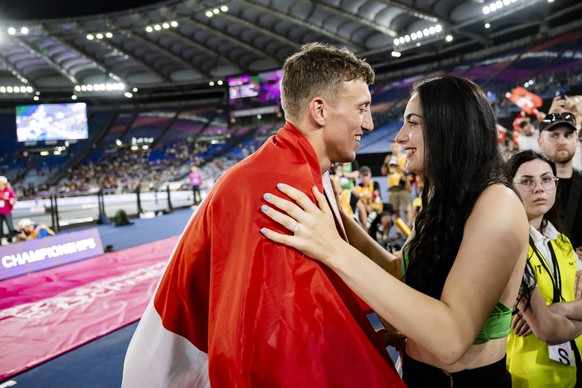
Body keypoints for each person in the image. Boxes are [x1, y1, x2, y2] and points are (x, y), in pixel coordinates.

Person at [122, 43, 404, 387]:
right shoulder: (280, 189)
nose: (370, 123)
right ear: (320, 110)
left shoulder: (295, 168)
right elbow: (255, 344)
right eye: (361, 108)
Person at [260, 73, 530, 387]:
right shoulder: (443, 201)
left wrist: (334, 249)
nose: (400, 137)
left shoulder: (498, 204)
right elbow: (397, 274)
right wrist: (336, 216)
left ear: (450, 128)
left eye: (413, 122)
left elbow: (451, 339)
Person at [505, 150, 582, 387]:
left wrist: (556, 309)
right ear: (509, 188)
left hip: (573, 370)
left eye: (547, 179)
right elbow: (545, 328)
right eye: (527, 181)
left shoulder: (563, 242)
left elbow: (548, 320)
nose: (539, 188)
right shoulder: (507, 246)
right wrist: (568, 311)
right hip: (527, 375)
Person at [537, 112, 582, 257]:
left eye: (568, 135)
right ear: (540, 142)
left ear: (576, 139)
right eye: (554, 135)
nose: (562, 141)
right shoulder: (528, 186)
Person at [0, 176, 17, 245]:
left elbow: (13, 200)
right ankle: (2, 239)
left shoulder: (9, 190)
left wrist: (7, 198)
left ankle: (13, 238)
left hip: (7, 211)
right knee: (0, 227)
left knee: (10, 226)